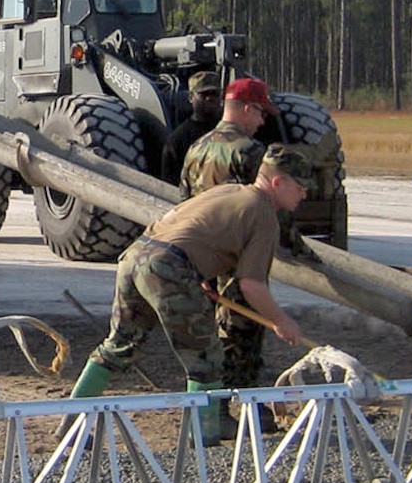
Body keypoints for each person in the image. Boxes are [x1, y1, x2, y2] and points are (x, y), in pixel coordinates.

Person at [67, 146, 314, 442]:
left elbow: (185, 224)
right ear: (278, 182)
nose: (304, 196)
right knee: (206, 359)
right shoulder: (262, 214)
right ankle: (204, 434)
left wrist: (198, 274)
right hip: (170, 268)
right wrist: (281, 321)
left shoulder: (230, 191)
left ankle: (70, 424)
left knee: (120, 344)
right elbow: (252, 285)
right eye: (300, 187)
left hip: (136, 256)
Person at [178, 77, 288, 396]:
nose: (262, 120)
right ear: (245, 109)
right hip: (238, 257)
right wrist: (298, 249)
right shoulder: (251, 152)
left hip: (201, 258)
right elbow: (269, 206)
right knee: (243, 332)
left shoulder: (195, 148)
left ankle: (213, 403)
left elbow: (183, 205)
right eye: (260, 113)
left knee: (209, 334)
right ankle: (240, 404)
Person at [155, 71, 223, 185]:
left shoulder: (228, 130)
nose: (210, 98)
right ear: (191, 97)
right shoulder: (178, 139)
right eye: (204, 94)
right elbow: (170, 182)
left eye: (214, 94)